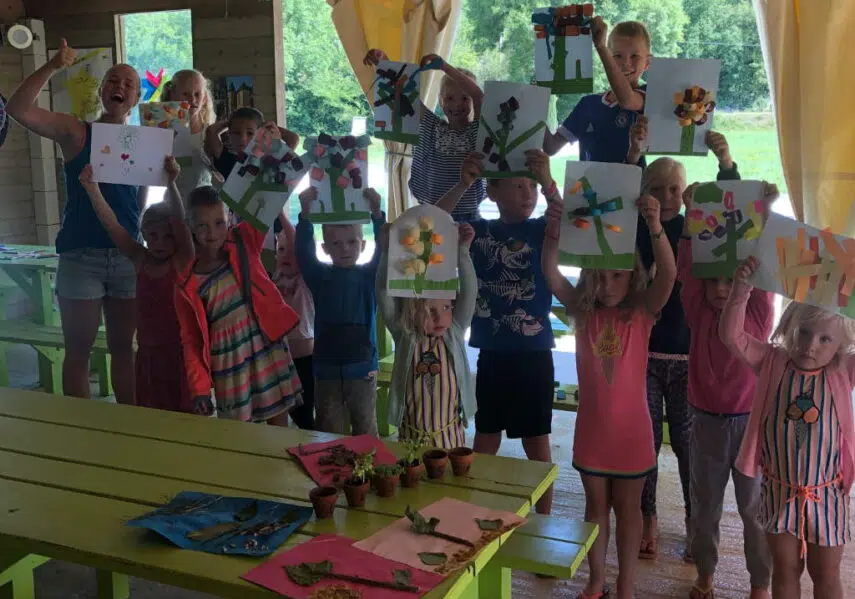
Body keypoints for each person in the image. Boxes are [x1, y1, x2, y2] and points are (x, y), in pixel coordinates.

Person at [543, 184, 675, 599]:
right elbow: (550, 272)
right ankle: (596, 579)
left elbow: (669, 273)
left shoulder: (641, 312)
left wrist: (655, 226)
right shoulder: (582, 313)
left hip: (633, 433)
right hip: (594, 434)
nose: (608, 282)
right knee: (595, 509)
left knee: (629, 510)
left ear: (632, 274)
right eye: (600, 274)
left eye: (617, 274)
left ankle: (626, 584)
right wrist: (552, 232)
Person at [6, 38, 140, 404]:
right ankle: (81, 432)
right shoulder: (76, 131)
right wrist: (53, 66)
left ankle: (133, 430)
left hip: (128, 256)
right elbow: (18, 109)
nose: (120, 87)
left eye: (129, 84)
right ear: (102, 89)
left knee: (124, 350)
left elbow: (140, 205)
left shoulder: (145, 143)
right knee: (77, 351)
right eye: (113, 79)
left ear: (137, 99)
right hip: (81, 256)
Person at [635, 132, 742, 560]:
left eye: (674, 189)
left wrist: (725, 160)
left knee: (685, 445)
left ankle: (693, 521)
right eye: (657, 190)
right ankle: (649, 519)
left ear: (685, 190)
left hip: (687, 356)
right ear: (645, 194)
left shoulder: (696, 223)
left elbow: (736, 209)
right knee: (645, 441)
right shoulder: (635, 228)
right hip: (644, 355)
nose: (666, 197)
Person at [721, 258, 855, 599]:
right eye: (804, 333)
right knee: (785, 572)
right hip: (779, 493)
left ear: (841, 344)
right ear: (788, 325)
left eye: (825, 339)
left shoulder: (842, 371)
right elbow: (732, 336)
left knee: (826, 575)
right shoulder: (772, 361)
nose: (811, 346)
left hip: (827, 495)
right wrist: (741, 290)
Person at [679, 137, 778, 599]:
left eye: (729, 280)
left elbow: (759, 272)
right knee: (705, 508)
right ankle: (705, 575)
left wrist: (766, 217)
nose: (721, 289)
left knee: (755, 508)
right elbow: (688, 269)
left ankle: (761, 583)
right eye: (713, 281)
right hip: (707, 423)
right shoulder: (698, 310)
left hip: (751, 427)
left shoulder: (755, 314)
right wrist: (687, 222)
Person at [435, 149, 560, 513]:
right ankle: (468, 509)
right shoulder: (478, 230)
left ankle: (545, 518)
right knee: (485, 435)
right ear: (492, 192)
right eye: (518, 185)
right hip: (491, 353)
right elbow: (432, 218)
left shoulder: (540, 229)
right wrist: (463, 182)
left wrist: (549, 182)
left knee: (537, 440)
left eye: (531, 186)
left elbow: (575, 222)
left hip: (535, 353)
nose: (528, 193)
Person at [174, 187, 303, 423]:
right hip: (229, 364)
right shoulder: (187, 284)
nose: (211, 232)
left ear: (230, 219)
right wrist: (200, 388)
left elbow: (269, 200)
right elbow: (191, 339)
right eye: (202, 225)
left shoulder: (244, 241)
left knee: (278, 423)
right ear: (189, 226)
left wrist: (279, 158)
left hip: (265, 347)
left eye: (218, 223)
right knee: (239, 431)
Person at [79, 157, 197, 413]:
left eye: (168, 236)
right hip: (148, 356)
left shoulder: (181, 260)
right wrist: (93, 189)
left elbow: (179, 220)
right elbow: (112, 225)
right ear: (143, 234)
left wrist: (171, 183)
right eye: (153, 236)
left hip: (180, 355)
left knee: (187, 418)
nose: (160, 242)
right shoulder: (140, 259)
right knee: (151, 414)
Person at [376, 220, 477, 448]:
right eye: (430, 311)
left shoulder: (455, 332)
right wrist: (385, 253)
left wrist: (462, 252)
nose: (440, 317)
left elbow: (470, 290)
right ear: (411, 312)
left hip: (451, 438)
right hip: (410, 440)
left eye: (446, 308)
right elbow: (384, 292)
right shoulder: (405, 335)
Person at [295, 187, 386, 435]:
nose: (345, 248)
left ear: (362, 244)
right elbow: (303, 253)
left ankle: (368, 472)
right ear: (325, 248)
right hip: (326, 371)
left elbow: (384, 250)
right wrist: (304, 214)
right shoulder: (320, 277)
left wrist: (378, 214)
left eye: (351, 242)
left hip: (363, 369)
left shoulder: (369, 277)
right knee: (327, 430)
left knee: (365, 428)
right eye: (336, 243)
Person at [363, 49, 486, 222]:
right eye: (450, 98)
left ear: (472, 101)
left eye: (464, 98)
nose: (457, 104)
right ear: (441, 101)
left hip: (469, 217)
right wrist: (384, 63)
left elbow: (479, 95)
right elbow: (406, 92)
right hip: (431, 213)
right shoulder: (433, 126)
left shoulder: (477, 131)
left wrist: (444, 67)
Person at [544, 19, 650, 166]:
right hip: (588, 188)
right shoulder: (587, 104)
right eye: (617, 56)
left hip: (632, 188)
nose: (626, 63)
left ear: (647, 63)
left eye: (634, 56)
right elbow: (550, 147)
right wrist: (534, 100)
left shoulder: (646, 96)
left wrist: (600, 46)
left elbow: (627, 100)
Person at [272, 214, 316, 430]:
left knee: (305, 414)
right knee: (285, 409)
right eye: (281, 250)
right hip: (281, 358)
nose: (287, 255)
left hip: (305, 359)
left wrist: (279, 212)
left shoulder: (306, 277)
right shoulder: (276, 276)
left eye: (293, 251)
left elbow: (298, 245)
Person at [160, 69, 217, 201]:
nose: (192, 99)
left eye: (197, 94)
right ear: (172, 95)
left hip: (206, 207)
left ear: (205, 98)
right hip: (173, 205)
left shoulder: (211, 133)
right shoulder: (162, 133)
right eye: (185, 94)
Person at [205, 107, 300, 181]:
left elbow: (294, 138)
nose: (242, 138)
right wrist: (229, 122)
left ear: (260, 133)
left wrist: (266, 126)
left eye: (250, 133)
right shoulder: (225, 158)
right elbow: (211, 131)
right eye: (236, 133)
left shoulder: (269, 159)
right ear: (229, 134)